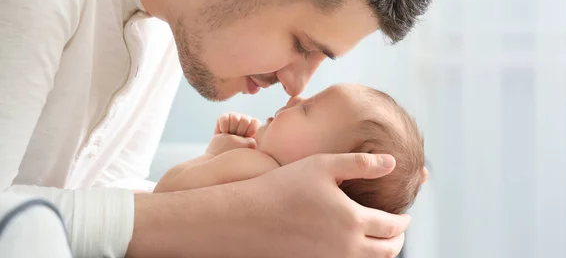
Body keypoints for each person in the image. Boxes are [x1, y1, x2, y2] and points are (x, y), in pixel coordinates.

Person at [0, 0, 433, 256]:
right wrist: (235, 212)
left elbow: (109, 199)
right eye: (302, 45)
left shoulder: (174, 7)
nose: (296, 86)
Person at [154, 83, 429, 216]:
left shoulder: (254, 168)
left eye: (307, 109)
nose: (296, 97)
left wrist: (215, 154)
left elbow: (163, 195)